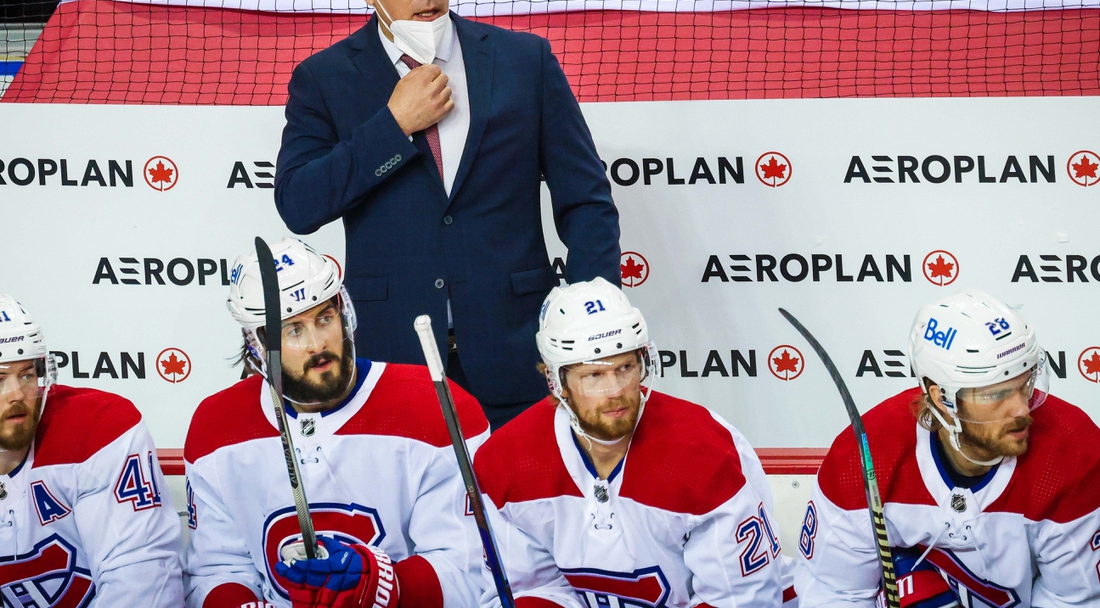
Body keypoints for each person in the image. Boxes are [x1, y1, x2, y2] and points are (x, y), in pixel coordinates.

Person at [274, 0, 621, 430]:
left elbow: (587, 202)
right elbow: (299, 204)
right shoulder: (325, 79)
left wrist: (592, 328)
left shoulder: (524, 62)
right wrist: (393, 125)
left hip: (519, 358)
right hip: (392, 365)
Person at [183, 238, 489, 608]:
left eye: (324, 318)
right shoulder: (217, 427)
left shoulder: (433, 407)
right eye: (293, 329)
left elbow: (473, 568)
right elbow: (217, 568)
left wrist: (382, 585)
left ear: (345, 313)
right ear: (257, 343)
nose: (317, 344)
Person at [473, 278, 791, 608]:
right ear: (557, 381)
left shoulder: (704, 451)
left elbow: (740, 598)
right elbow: (525, 591)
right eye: (594, 375)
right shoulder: (507, 460)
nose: (616, 391)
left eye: (625, 368)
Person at [795, 289, 1100, 606]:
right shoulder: (863, 457)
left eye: (1025, 385)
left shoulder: (1074, 454)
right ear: (942, 399)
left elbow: (1075, 599)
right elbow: (836, 594)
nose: (1021, 409)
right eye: (996, 394)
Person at [0, 293, 184, 604]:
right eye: (0, 378)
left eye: (27, 374)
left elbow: (142, 583)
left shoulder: (97, 428)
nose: (17, 394)